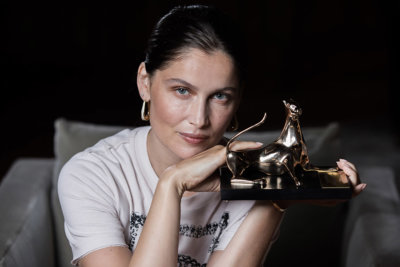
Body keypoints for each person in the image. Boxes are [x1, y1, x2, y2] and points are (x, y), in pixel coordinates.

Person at [58, 5, 366, 267]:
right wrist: (171, 184)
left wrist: (275, 198)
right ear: (145, 83)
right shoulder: (91, 175)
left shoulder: (248, 176)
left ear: (238, 99)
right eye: (182, 90)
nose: (199, 119)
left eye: (219, 96)